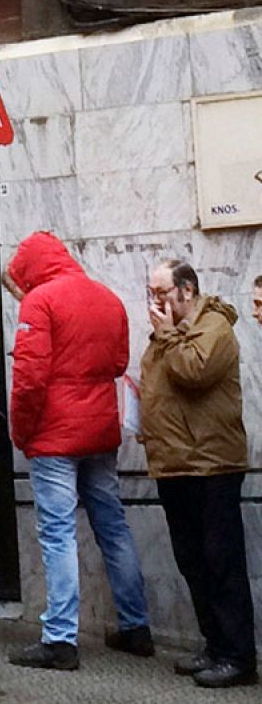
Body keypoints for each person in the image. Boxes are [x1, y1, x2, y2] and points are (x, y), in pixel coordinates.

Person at [4, 231, 150, 671]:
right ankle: (136, 626)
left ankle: (60, 638)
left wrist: (23, 432)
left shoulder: (40, 302)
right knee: (113, 526)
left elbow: (29, 378)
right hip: (100, 431)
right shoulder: (107, 297)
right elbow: (120, 363)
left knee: (57, 533)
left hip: (55, 434)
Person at [139, 261, 255, 688]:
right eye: (151, 292)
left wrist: (167, 333)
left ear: (187, 290)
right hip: (175, 464)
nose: (156, 302)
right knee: (193, 562)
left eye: (162, 292)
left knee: (221, 562)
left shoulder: (214, 328)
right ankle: (215, 645)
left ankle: (238, 656)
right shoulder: (169, 334)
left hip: (211, 464)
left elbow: (193, 372)